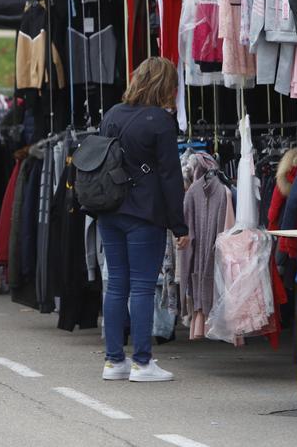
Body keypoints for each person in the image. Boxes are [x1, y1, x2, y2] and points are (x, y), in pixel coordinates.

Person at [97, 57, 189, 382]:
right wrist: (179, 225)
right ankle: (142, 362)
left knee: (117, 285)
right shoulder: (161, 121)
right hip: (144, 214)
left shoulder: (112, 114)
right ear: (167, 86)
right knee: (142, 287)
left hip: (110, 209)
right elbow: (169, 177)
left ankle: (113, 361)